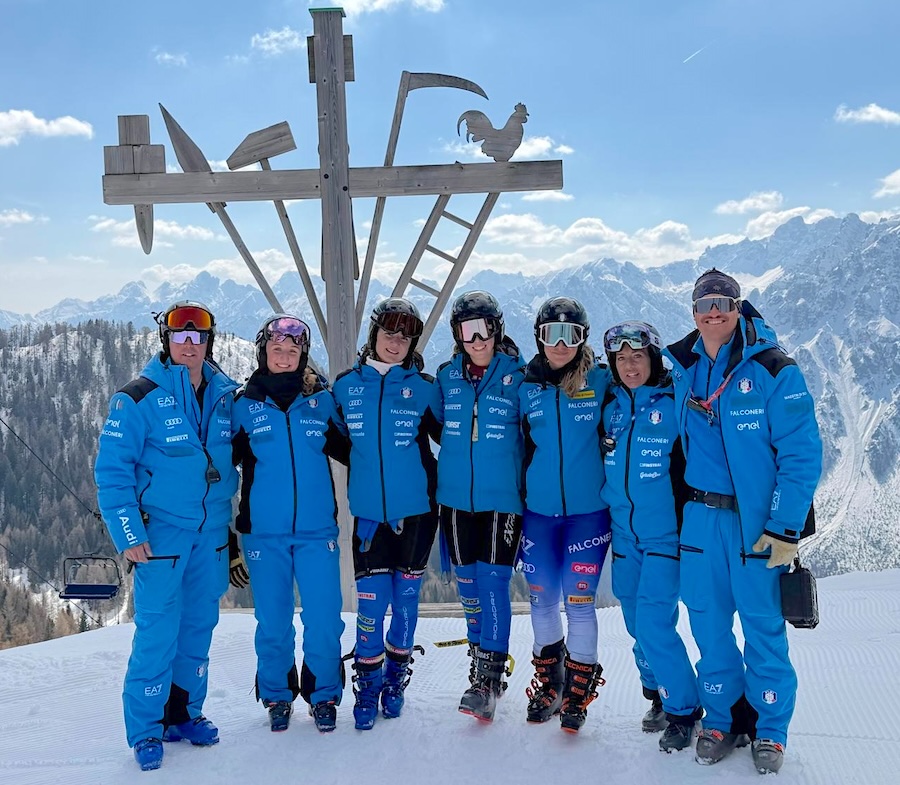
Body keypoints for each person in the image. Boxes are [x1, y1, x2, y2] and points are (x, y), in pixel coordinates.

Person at [663, 268, 822, 774]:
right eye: (705, 303)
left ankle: (770, 729)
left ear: (738, 309)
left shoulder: (775, 369)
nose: (715, 311)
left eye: (724, 302)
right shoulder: (682, 370)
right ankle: (721, 717)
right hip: (700, 520)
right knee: (708, 625)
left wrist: (784, 526)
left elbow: (801, 454)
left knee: (762, 628)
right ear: (693, 312)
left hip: (756, 527)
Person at [95, 301, 239, 771]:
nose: (190, 344)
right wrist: (127, 532)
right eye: (181, 335)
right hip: (160, 540)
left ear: (209, 342)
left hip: (211, 535)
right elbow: (112, 472)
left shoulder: (225, 395)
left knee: (198, 628)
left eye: (199, 337)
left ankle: (184, 714)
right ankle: (146, 728)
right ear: (167, 340)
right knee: (158, 631)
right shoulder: (137, 397)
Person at [230, 314, 348, 734]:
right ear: (264, 352)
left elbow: (357, 451)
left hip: (317, 531)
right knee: (274, 620)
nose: (284, 357)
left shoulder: (322, 401)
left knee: (324, 617)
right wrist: (227, 537)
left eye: (293, 351)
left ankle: (324, 695)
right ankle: (278, 696)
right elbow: (219, 471)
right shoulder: (242, 405)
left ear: (303, 356)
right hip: (265, 533)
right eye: (277, 350)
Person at [331, 297, 441, 731]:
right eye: (389, 333)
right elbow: (333, 438)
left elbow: (452, 439)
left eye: (405, 336)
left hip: (416, 514)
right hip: (370, 519)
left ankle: (395, 683)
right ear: (373, 334)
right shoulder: (344, 386)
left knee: (406, 604)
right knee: (371, 609)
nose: (396, 342)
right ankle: (368, 684)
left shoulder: (425, 386)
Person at [599, 320, 702, 752]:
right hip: (624, 536)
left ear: (653, 358)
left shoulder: (674, 400)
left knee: (655, 623)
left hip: (665, 536)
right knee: (632, 620)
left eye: (637, 356)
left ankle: (684, 710)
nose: (629, 365)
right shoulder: (612, 405)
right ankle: (658, 694)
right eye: (621, 358)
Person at [517, 296, 613, 733]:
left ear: (583, 339)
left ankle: (578, 690)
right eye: (552, 334)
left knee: (578, 604)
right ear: (538, 337)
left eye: (570, 335)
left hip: (588, 515)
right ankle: (550, 681)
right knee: (541, 602)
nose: (561, 344)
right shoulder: (525, 387)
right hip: (538, 514)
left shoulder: (600, 380)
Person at [433, 290, 524, 722]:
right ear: (457, 335)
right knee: (466, 585)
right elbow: (431, 424)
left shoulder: (518, 376)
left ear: (497, 329)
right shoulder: (447, 377)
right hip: (453, 500)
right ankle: (479, 659)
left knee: (491, 585)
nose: (477, 338)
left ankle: (488, 678)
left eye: (484, 327)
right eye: (467, 330)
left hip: (501, 503)